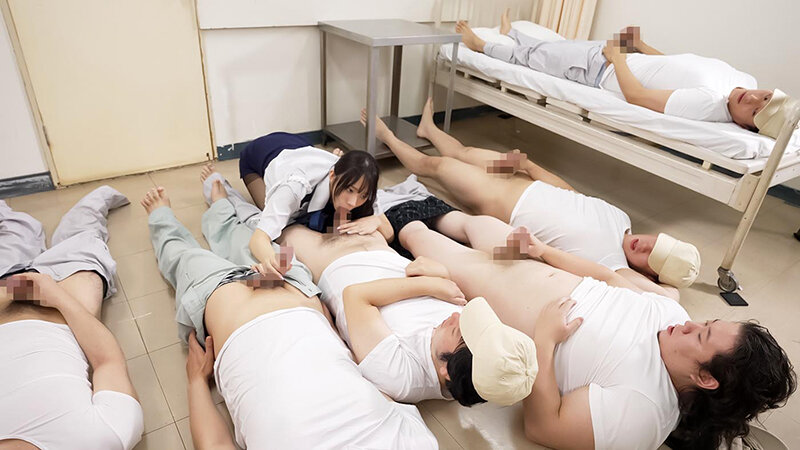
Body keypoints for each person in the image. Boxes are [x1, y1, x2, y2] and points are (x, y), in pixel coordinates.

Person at [394, 219, 796, 449]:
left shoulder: (644, 412)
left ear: (705, 378)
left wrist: (545, 341)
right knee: (474, 222)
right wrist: (543, 251)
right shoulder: (672, 315)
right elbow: (608, 277)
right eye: (706, 323)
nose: (691, 325)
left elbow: (543, 427)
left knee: (415, 231)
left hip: (488, 287)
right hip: (524, 264)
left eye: (701, 337)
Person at [142, 180, 439, 449]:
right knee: (249, 239)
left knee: (181, 256)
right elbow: (373, 384)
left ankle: (162, 216)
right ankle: (220, 201)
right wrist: (327, 321)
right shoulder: (418, 443)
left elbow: (214, 444)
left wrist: (196, 382)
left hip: (227, 305)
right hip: (297, 288)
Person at [362, 106, 699, 297]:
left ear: (650, 274)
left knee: (434, 166)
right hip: (521, 177)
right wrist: (530, 166)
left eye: (652, 256)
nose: (645, 245)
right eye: (656, 242)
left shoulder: (612, 264)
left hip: (494, 197)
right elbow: (572, 194)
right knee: (465, 151)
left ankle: (385, 135)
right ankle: (429, 130)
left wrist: (666, 282)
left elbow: (668, 297)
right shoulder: (621, 218)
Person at [279, 223, 536, 406]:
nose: (457, 317)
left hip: (331, 258)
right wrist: (440, 275)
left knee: (283, 223)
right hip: (376, 242)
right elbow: (445, 283)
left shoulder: (401, 376)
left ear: (446, 370)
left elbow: (355, 295)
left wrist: (430, 284)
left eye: (459, 331)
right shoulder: (465, 352)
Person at [456, 11, 797, 137]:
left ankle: (480, 45)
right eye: (765, 97)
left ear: (744, 126)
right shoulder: (743, 81)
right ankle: (513, 33)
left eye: (755, 111)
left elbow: (637, 96)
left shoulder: (707, 105)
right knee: (550, 48)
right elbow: (678, 65)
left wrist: (617, 58)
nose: (753, 98)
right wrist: (641, 46)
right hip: (613, 57)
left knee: (534, 58)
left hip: (600, 68)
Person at [0, 187, 144, 450]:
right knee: (83, 232)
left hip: (4, 288)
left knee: (15, 232)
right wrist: (56, 297)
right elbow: (108, 361)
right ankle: (101, 197)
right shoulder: (101, 440)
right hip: (64, 301)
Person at [240, 132, 380, 279]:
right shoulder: (293, 189)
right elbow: (258, 239)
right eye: (349, 190)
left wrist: (376, 220)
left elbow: (386, 229)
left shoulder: (364, 185)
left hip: (301, 147)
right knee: (272, 214)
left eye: (362, 195)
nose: (353, 202)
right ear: (333, 176)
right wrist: (271, 260)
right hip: (261, 153)